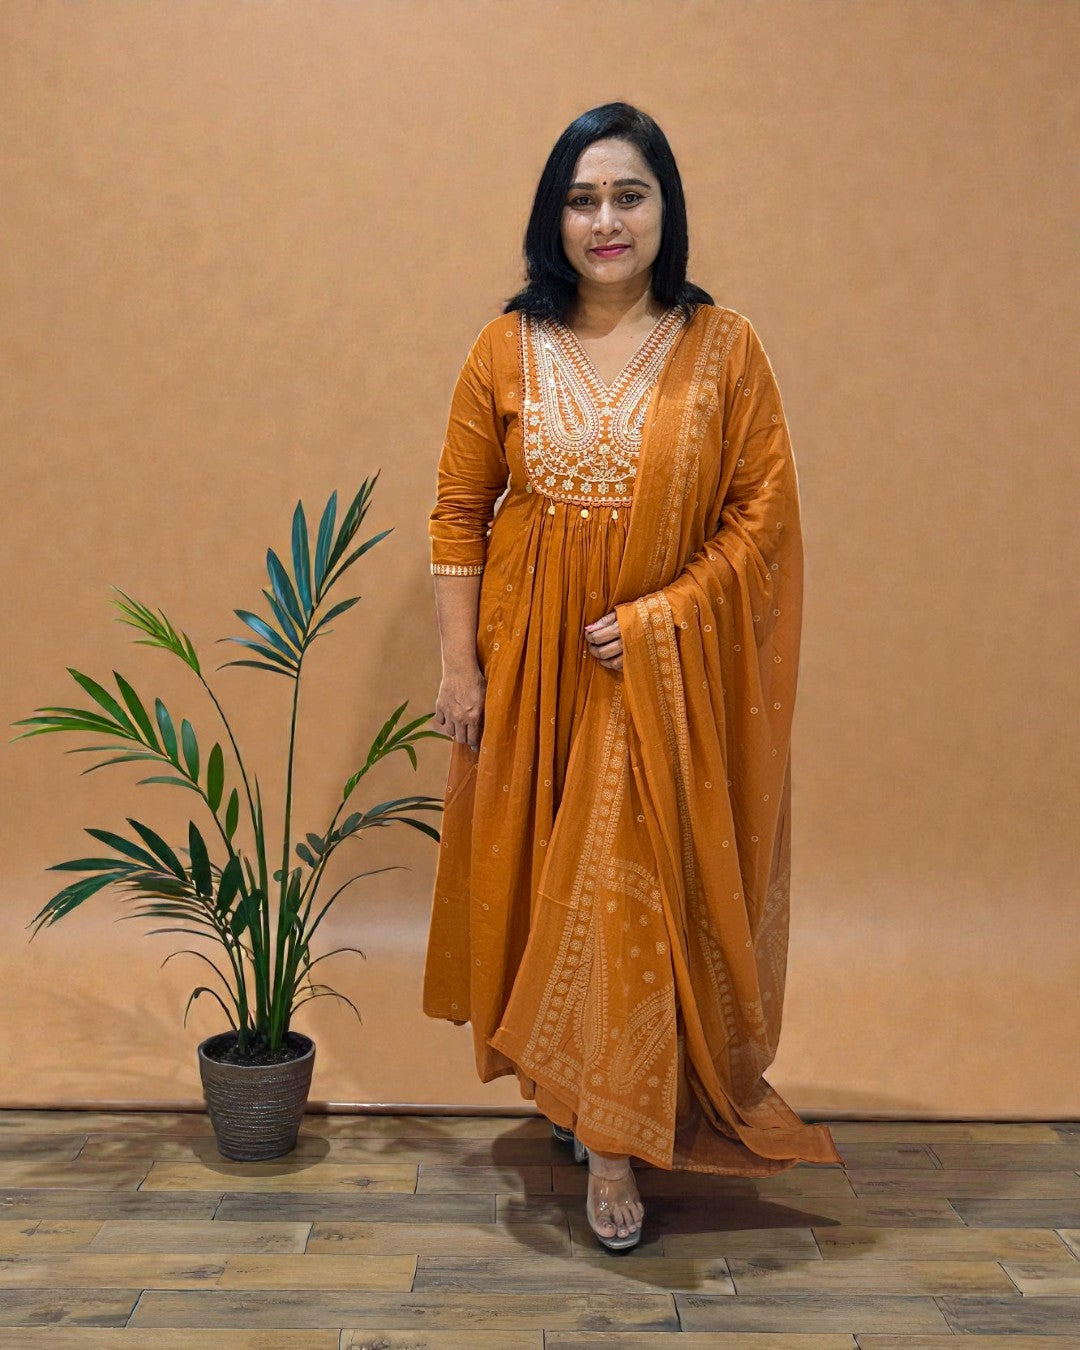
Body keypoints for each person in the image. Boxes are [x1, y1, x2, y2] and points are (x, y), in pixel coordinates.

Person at [422, 101, 843, 1251]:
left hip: (657, 678)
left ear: (666, 209)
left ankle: (611, 1147)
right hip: (532, 671)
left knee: (622, 894)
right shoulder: (504, 348)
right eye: (582, 199)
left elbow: (762, 519)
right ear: (552, 217)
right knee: (548, 896)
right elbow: (459, 511)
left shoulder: (725, 348)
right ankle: (584, 1093)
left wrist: (666, 620)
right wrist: (460, 667)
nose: (605, 220)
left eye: (628, 195)